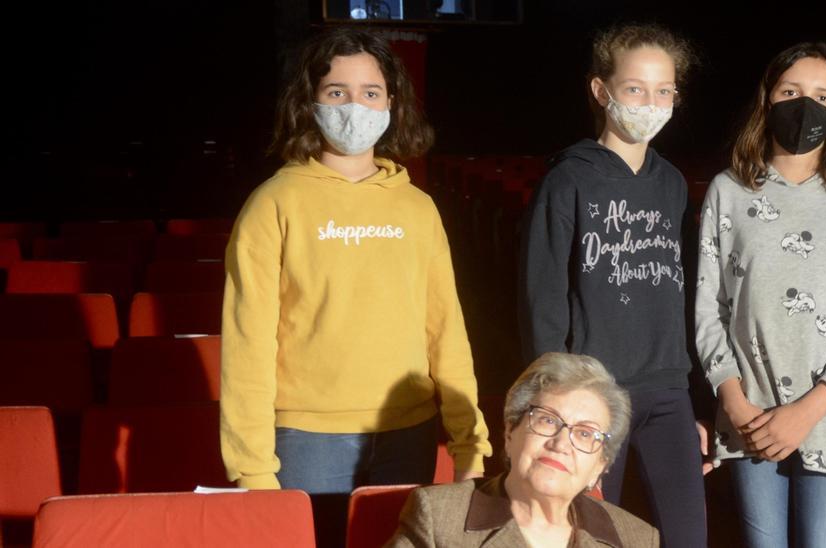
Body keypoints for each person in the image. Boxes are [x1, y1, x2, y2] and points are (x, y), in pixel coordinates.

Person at [220, 26, 490, 505]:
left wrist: (470, 441)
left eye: (371, 93)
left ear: (392, 104)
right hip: (306, 438)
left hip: (408, 431)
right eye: (337, 92)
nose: (355, 107)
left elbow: (446, 330)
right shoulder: (273, 203)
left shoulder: (417, 208)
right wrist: (252, 468)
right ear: (310, 101)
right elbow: (248, 343)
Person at [694, 42, 826, 548]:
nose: (806, 105)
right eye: (791, 91)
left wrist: (810, 408)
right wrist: (734, 402)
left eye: (822, 96)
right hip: (749, 416)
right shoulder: (728, 190)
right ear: (767, 99)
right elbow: (708, 307)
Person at [518, 23, 707, 547]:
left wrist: (694, 404)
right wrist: (558, 413)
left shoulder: (670, 183)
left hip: (668, 392)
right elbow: (544, 303)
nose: (651, 103)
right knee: (597, 537)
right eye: (635, 89)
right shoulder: (568, 181)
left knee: (688, 535)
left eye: (663, 91)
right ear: (601, 91)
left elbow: (676, 293)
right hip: (593, 397)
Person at [387, 353, 658, 548]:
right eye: (548, 420)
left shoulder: (636, 539)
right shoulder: (440, 516)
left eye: (585, 433)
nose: (561, 443)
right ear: (509, 432)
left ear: (601, 465)